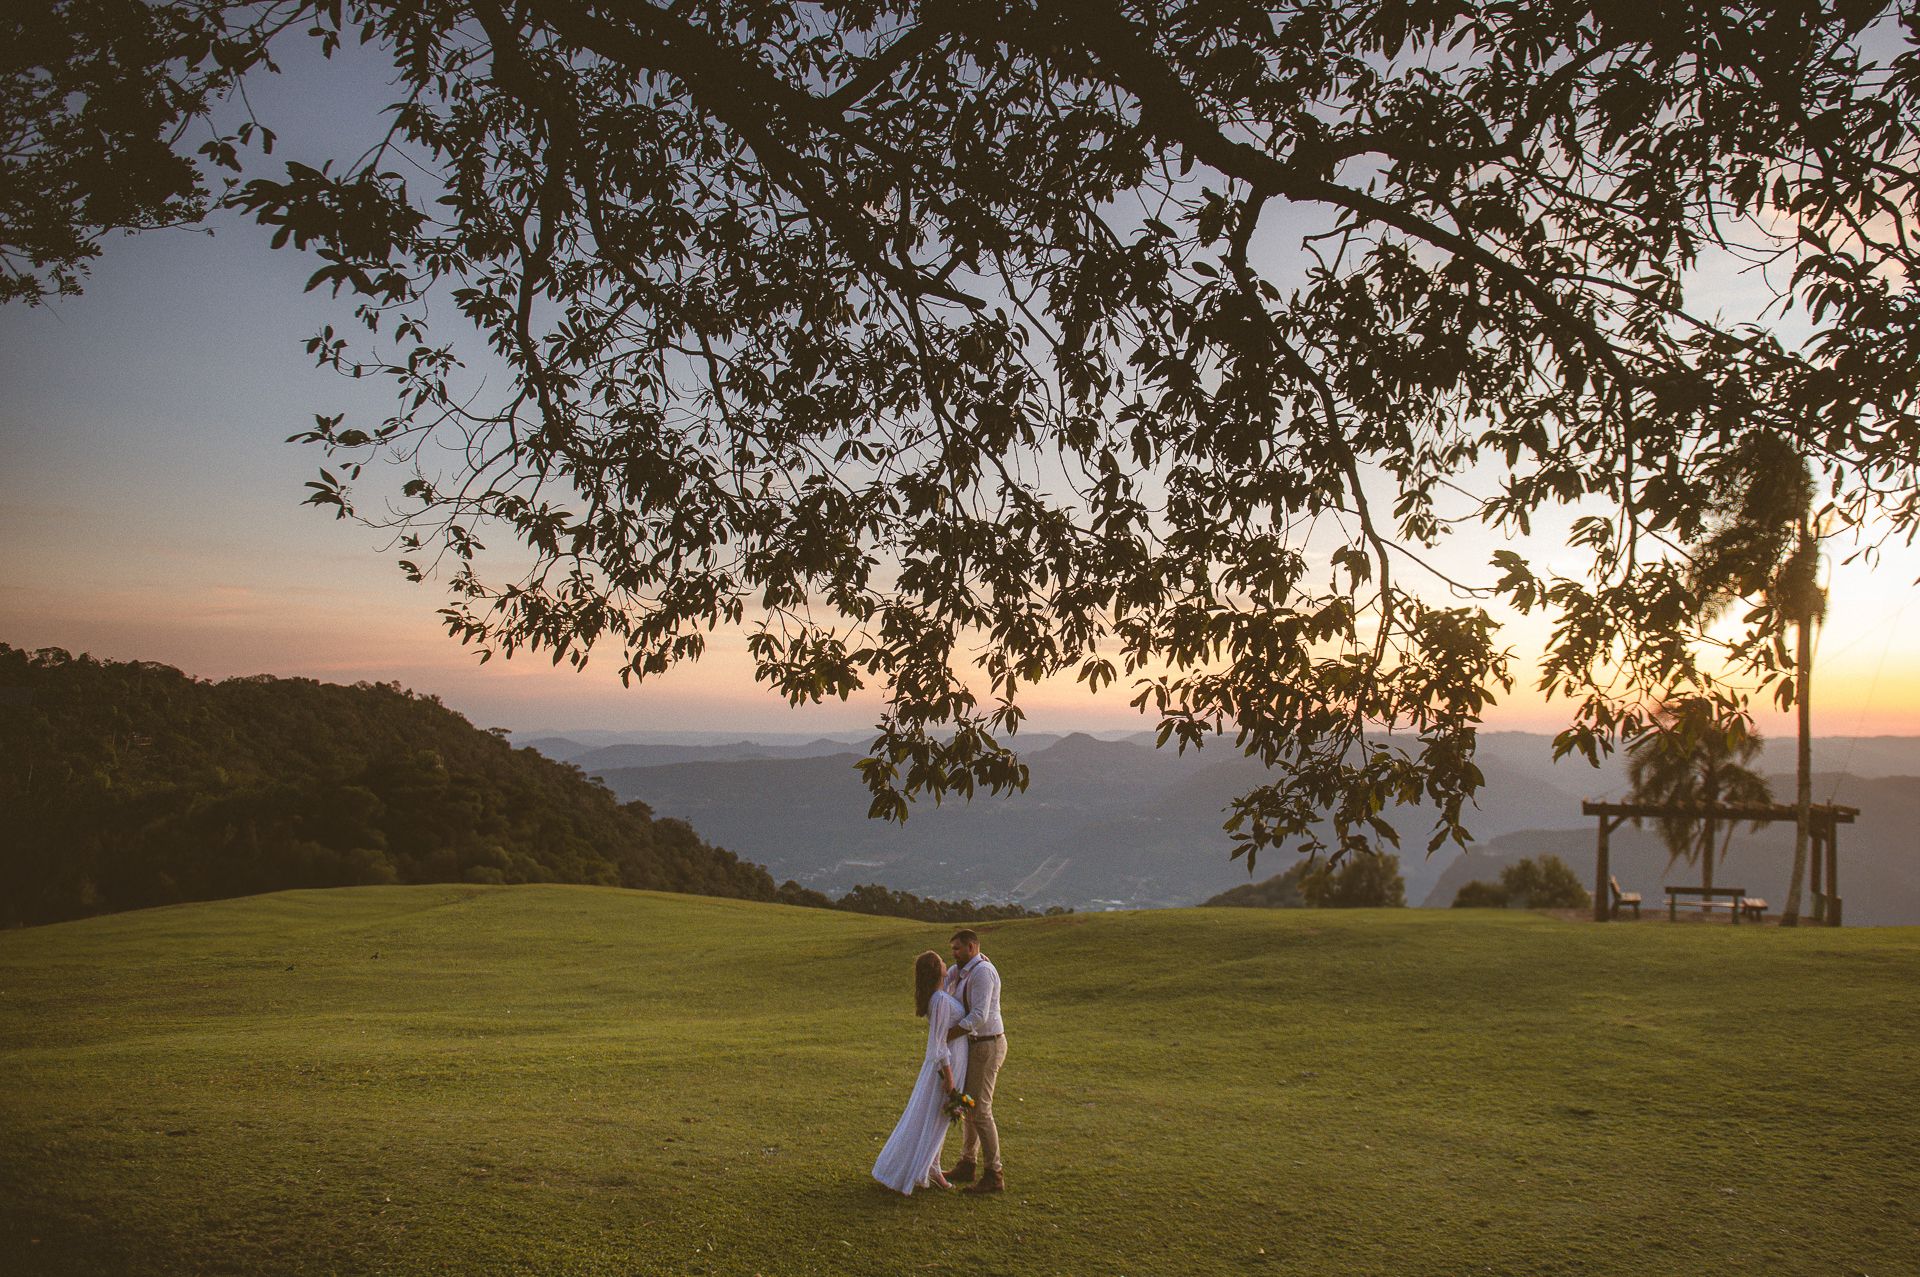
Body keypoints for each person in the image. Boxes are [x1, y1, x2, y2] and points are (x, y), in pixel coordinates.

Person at [871, 950, 971, 1195]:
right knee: (935, 1117)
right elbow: (938, 1044)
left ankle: (933, 1166)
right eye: (941, 961)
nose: (947, 962)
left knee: (939, 1118)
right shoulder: (938, 1000)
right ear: (936, 970)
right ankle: (928, 1167)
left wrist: (979, 960)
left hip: (955, 1061)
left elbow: (955, 973)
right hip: (947, 1065)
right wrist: (949, 1078)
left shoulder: (939, 994)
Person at [942, 928, 1006, 1194]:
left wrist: (947, 1035)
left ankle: (994, 1174)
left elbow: (979, 1015)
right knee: (968, 1106)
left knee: (980, 1111)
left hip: (987, 1045)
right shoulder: (963, 971)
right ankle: (967, 1163)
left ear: (971, 947)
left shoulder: (982, 972)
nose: (954, 954)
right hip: (973, 1045)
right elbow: (945, 987)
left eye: (957, 948)